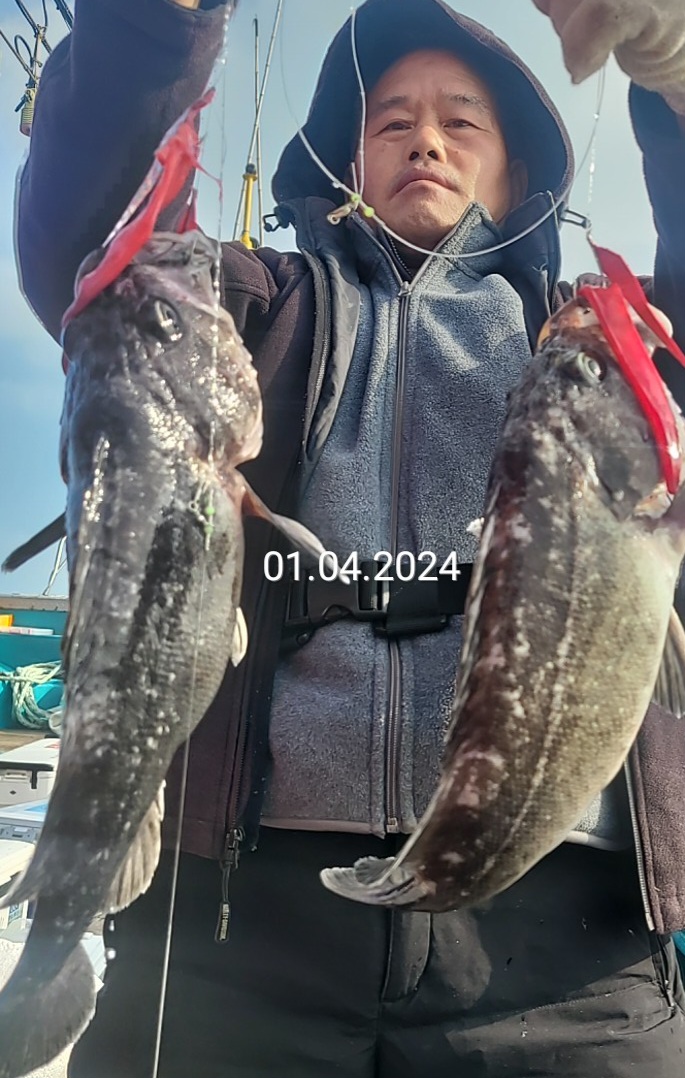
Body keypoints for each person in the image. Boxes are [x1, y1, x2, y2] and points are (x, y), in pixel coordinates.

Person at [14, 0, 685, 1074]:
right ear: (344, 162)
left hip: (567, 945)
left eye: (461, 123)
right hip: (241, 923)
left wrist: (675, 78)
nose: (426, 141)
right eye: (392, 123)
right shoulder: (249, 304)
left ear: (516, 174)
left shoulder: (598, 344)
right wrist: (148, 27)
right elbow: (90, 245)